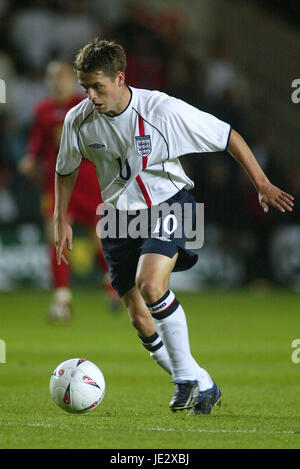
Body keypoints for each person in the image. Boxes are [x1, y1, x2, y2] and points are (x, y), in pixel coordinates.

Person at [54, 39, 294, 414]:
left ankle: (183, 378)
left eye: (97, 86)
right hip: (117, 217)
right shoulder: (78, 119)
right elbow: (64, 169)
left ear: (120, 78)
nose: (91, 95)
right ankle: (202, 382)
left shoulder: (161, 110)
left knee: (151, 284)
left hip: (170, 202)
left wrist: (261, 183)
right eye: (85, 87)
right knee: (137, 315)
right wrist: (60, 218)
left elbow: (228, 136)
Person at [19, 61, 119, 321]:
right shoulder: (42, 110)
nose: (56, 82)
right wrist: (30, 159)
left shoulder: (86, 105)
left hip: (90, 182)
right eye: (51, 78)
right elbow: (37, 144)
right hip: (57, 185)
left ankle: (110, 284)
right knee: (57, 237)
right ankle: (62, 300)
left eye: (61, 77)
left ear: (70, 79)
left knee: (101, 239)